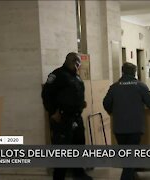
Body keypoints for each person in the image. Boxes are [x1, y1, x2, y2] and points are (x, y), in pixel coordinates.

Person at [103, 62, 150, 180]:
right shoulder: (140, 86)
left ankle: (131, 175)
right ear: (134, 72)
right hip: (135, 127)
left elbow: (106, 103)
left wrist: (113, 112)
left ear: (123, 71)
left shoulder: (114, 87)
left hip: (119, 127)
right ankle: (126, 177)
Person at [41, 52, 92, 180]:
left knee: (78, 146)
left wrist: (80, 103)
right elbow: (46, 94)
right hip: (63, 119)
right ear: (73, 62)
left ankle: (79, 174)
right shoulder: (57, 75)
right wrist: (53, 112)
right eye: (78, 63)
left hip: (76, 117)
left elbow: (74, 93)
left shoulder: (75, 76)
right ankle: (59, 177)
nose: (79, 66)